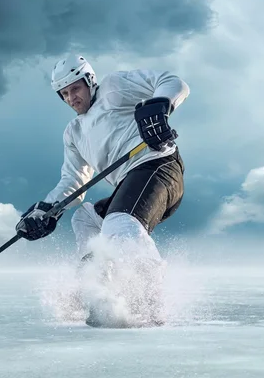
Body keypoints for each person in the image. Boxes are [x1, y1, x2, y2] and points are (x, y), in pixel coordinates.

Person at [15, 53, 189, 325]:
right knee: (86, 218)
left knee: (118, 223)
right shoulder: (74, 132)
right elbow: (74, 181)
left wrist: (160, 105)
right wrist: (45, 210)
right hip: (129, 184)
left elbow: (172, 81)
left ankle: (151, 300)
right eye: (64, 93)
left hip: (158, 166)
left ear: (90, 81)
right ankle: (98, 288)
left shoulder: (114, 87)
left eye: (75, 89)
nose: (71, 98)